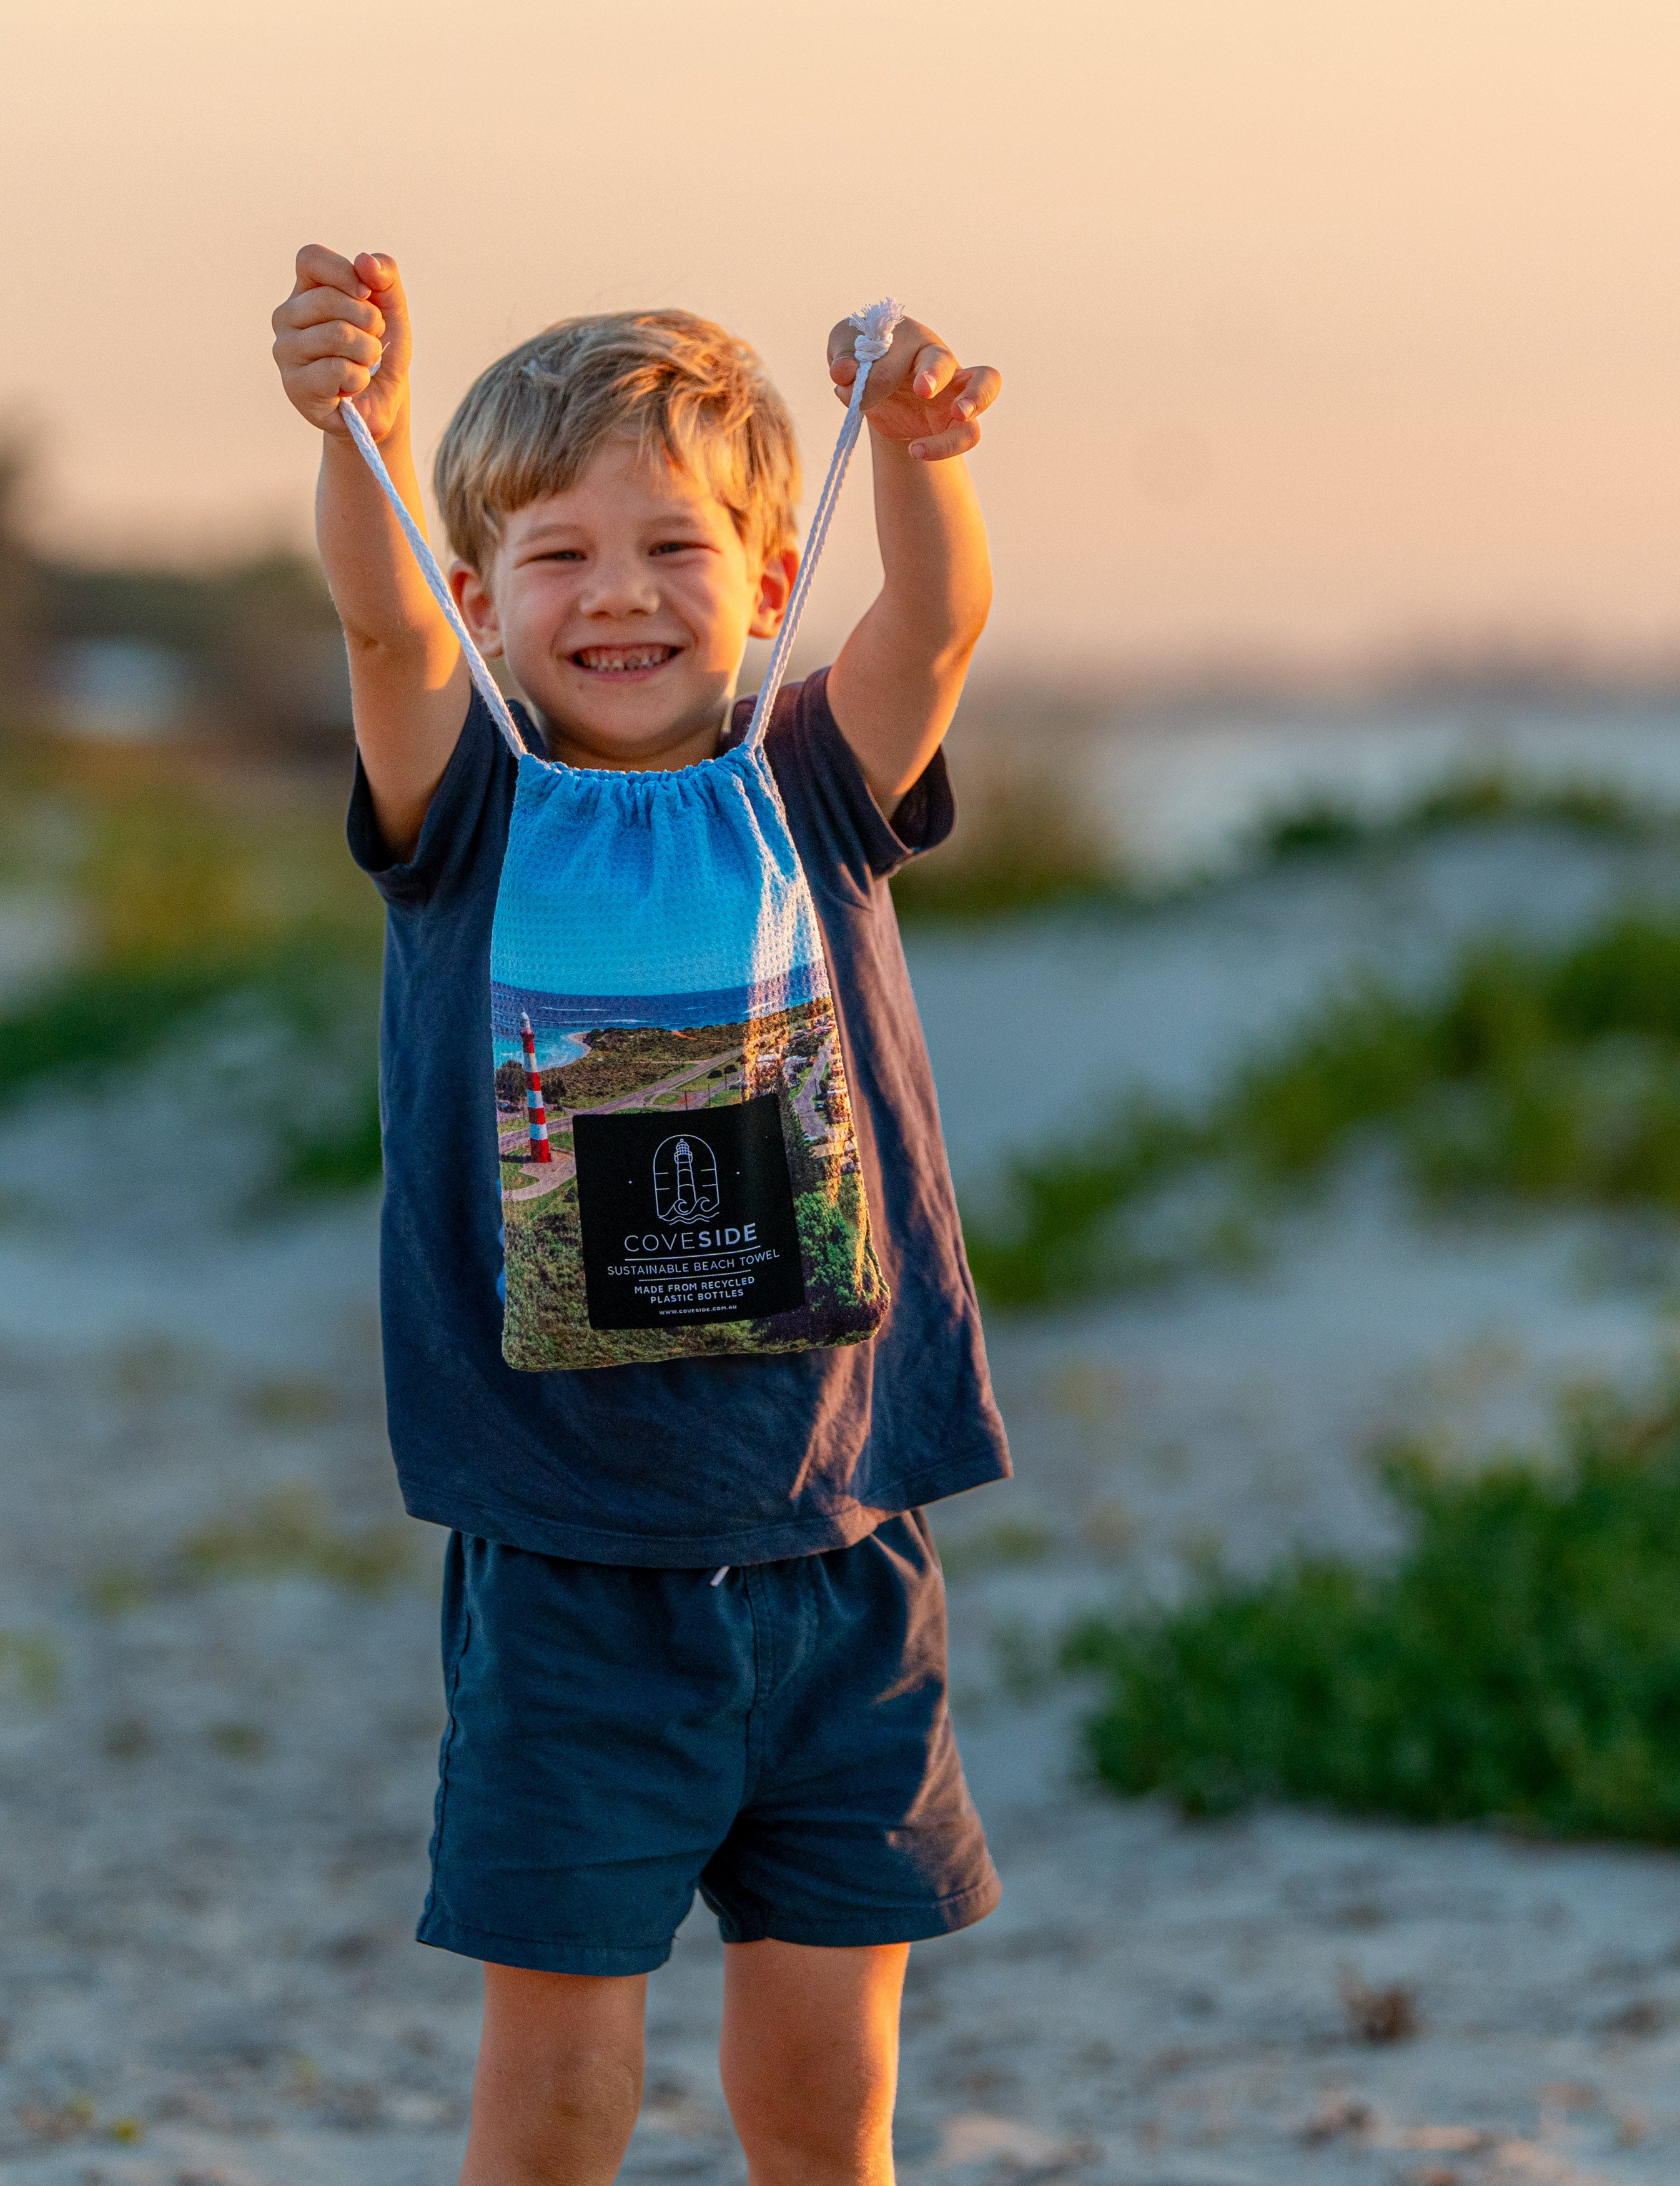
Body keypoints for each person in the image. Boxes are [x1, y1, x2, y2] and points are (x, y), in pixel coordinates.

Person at [270, 244, 1010, 2186]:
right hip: (573, 1564)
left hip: (839, 1542)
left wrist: (919, 451)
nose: (617, 593)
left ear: (770, 581)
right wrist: (358, 415)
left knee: (827, 2090)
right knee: (563, 2095)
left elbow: (932, 628)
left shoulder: (811, 787)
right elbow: (372, 626)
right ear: (483, 603)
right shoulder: (465, 807)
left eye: (673, 547)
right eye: (554, 555)